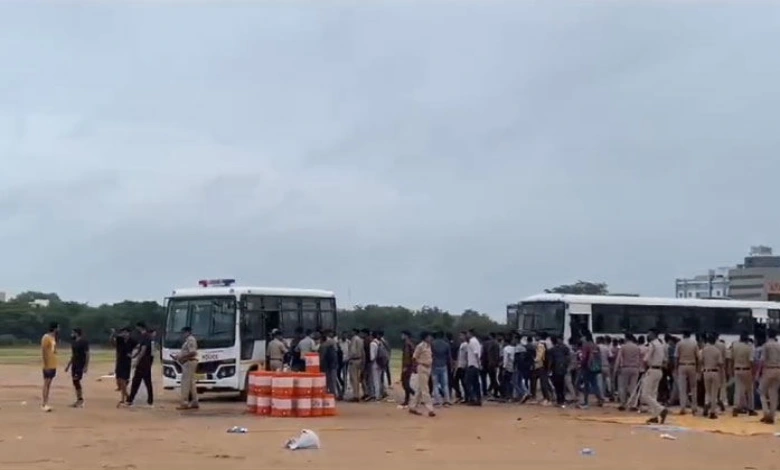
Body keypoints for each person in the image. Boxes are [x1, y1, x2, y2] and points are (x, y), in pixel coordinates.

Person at [641, 329, 669, 424]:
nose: (647, 335)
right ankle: (655, 416)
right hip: (659, 370)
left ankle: (661, 409)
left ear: (653, 334)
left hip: (652, 370)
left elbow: (645, 359)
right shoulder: (661, 345)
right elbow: (665, 360)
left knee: (645, 394)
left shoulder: (652, 345)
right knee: (653, 394)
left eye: (649, 334)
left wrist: (644, 368)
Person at [125, 322, 154, 408]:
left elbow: (143, 350)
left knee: (136, 380)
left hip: (143, 362)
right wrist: (133, 356)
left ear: (140, 327)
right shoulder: (145, 336)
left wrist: (137, 361)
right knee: (147, 381)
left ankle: (131, 399)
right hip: (146, 362)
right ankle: (150, 399)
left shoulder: (146, 336)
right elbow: (140, 349)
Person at [171, 326, 199, 410]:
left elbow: (193, 352)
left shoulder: (190, 340)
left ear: (187, 332)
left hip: (189, 362)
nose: (182, 335)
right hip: (189, 362)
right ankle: (194, 401)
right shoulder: (188, 340)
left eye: (183, 333)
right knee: (191, 383)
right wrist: (178, 357)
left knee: (185, 383)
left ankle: (184, 402)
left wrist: (182, 358)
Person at [409, 331, 436, 417]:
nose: (430, 338)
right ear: (425, 337)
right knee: (425, 389)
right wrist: (415, 367)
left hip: (428, 368)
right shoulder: (420, 346)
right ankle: (430, 409)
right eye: (429, 336)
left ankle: (413, 407)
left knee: (420, 389)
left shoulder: (429, 346)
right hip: (422, 367)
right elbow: (414, 357)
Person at [731, 331, 757, 417]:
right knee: (749, 390)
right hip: (747, 369)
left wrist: (731, 369)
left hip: (737, 369)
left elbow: (732, 358)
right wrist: (753, 372)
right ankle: (751, 409)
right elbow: (751, 361)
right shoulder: (749, 347)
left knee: (738, 390)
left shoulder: (735, 346)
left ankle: (736, 407)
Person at [759, 328, 780, 424]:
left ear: (768, 335)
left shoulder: (766, 345)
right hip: (778, 370)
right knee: (774, 393)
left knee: (761, 391)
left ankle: (766, 413)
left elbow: (762, 360)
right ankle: (772, 415)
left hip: (768, 369)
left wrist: (758, 372)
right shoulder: (779, 346)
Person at [674, 330, 699, 415]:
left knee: (682, 388)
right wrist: (698, 369)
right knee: (693, 387)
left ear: (683, 335)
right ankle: (694, 407)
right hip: (692, 365)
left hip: (682, 365)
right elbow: (698, 357)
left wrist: (675, 368)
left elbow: (676, 357)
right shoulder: (694, 343)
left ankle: (683, 407)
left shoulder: (679, 343)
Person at [65, 327, 90, 408]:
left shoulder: (83, 342)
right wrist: (68, 365)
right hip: (74, 364)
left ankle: (80, 400)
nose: (71, 334)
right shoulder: (73, 342)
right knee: (75, 382)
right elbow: (73, 355)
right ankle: (79, 399)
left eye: (73, 333)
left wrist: (86, 366)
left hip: (80, 364)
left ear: (76, 333)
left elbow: (87, 354)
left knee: (76, 380)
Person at [700, 333, 723, 419]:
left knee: (707, 391)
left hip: (706, 371)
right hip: (715, 371)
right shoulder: (717, 351)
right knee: (714, 393)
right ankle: (713, 411)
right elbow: (720, 363)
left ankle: (706, 404)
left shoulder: (704, 350)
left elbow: (701, 360)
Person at [616, 334, 641, 411]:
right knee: (633, 387)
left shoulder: (623, 347)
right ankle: (633, 404)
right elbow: (639, 358)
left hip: (625, 368)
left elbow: (619, 358)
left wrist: (616, 368)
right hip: (635, 368)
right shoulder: (637, 347)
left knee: (623, 387)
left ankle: (623, 403)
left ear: (627, 338)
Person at [111, 327, 135, 405]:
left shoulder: (132, 341)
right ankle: (127, 396)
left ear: (129, 333)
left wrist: (133, 355)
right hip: (119, 361)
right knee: (119, 381)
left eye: (126, 332)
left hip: (127, 362)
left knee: (123, 380)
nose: (124, 334)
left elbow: (139, 347)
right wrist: (113, 334)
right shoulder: (119, 339)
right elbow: (112, 342)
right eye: (123, 332)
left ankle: (124, 398)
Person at [40, 322, 59, 412]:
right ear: (54, 328)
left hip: (53, 363)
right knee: (46, 383)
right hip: (48, 364)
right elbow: (43, 351)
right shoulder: (46, 337)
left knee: (49, 384)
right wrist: (46, 364)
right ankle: (44, 404)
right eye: (58, 328)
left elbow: (53, 350)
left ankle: (46, 402)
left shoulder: (53, 338)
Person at [431, 331, 452, 406]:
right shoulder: (446, 344)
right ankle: (447, 400)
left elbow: (431, 355)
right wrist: (451, 366)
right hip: (443, 365)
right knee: (445, 384)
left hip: (434, 365)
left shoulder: (432, 344)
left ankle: (437, 401)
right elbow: (449, 356)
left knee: (435, 384)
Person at [465, 329, 482, 406]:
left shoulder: (472, 342)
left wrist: (478, 363)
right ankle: (478, 399)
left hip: (472, 365)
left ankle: (473, 398)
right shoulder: (477, 342)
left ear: (470, 333)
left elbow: (476, 354)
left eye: (467, 333)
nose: (466, 335)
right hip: (476, 365)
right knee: (476, 383)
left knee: (468, 382)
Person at [347, 329, 365, 402]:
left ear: (354, 332)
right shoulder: (360, 340)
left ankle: (355, 396)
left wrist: (349, 358)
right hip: (359, 360)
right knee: (356, 379)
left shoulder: (354, 339)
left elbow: (353, 351)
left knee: (353, 379)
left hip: (354, 360)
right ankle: (357, 394)